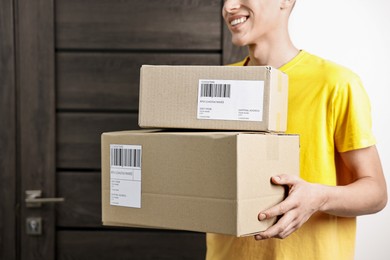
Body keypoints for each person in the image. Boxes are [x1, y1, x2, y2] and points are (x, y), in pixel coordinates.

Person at [206, 0, 388, 259]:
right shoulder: (214, 86)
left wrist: (319, 197)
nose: (229, 6)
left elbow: (376, 193)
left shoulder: (335, 84)